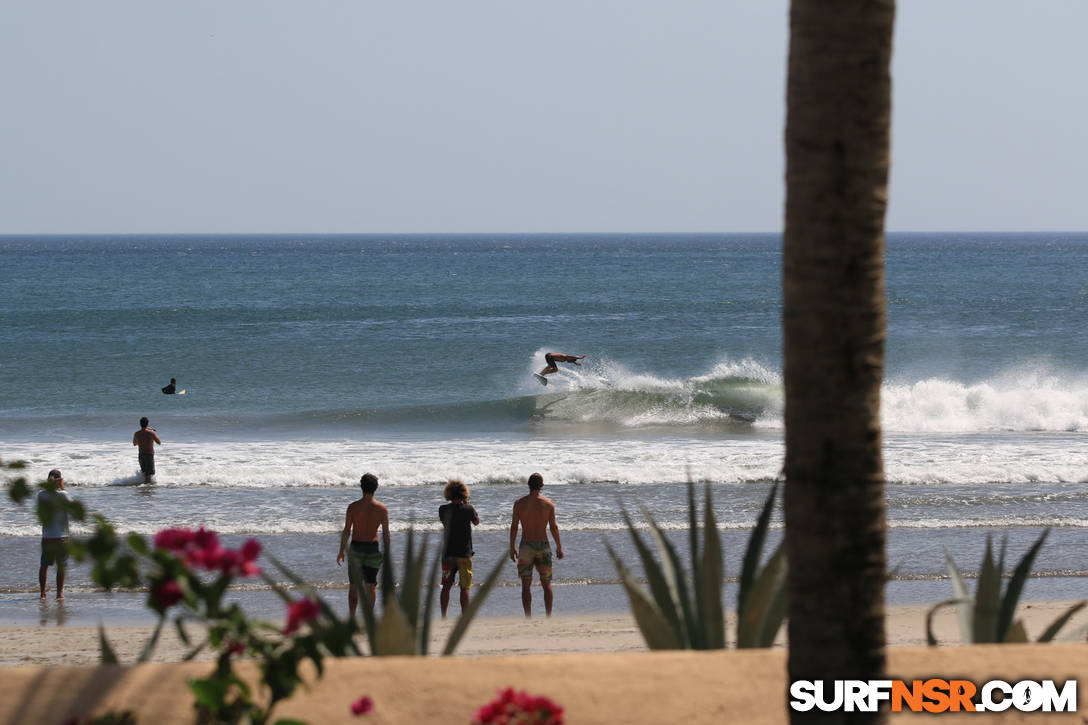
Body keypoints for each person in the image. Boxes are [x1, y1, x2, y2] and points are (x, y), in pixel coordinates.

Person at [509, 472, 564, 618]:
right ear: (542, 486)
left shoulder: (519, 503)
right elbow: (554, 527)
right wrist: (559, 546)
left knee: (526, 585)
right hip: (543, 546)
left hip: (526, 546)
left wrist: (511, 546)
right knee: (546, 584)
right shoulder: (548, 503)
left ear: (528, 485)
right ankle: (548, 617)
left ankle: (528, 617)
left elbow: (514, 527)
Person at [336, 473, 390, 616]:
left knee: (354, 586)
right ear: (376, 488)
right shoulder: (382, 509)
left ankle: (352, 619)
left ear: (361, 487)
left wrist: (341, 550)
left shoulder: (353, 507)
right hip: (373, 549)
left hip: (356, 548)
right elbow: (386, 534)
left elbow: (347, 531)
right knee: (370, 585)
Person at [438, 479, 480, 619]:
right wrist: (467, 504)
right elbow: (476, 522)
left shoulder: (443, 509)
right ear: (463, 494)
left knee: (446, 586)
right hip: (464, 553)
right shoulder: (469, 509)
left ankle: (444, 616)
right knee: (465, 587)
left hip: (448, 553)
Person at [38, 470, 72, 601]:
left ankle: (42, 593)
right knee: (61, 566)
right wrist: (62, 487)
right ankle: (59, 593)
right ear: (59, 480)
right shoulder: (63, 495)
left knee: (44, 565)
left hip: (47, 536)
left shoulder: (41, 495)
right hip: (61, 537)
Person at [132, 417, 163, 483]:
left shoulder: (137, 433)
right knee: (149, 474)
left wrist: (141, 440)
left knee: (144, 473)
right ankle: (146, 490)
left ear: (140, 424)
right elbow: (159, 442)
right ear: (147, 424)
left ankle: (144, 489)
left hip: (141, 455)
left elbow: (135, 444)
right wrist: (153, 432)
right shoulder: (151, 433)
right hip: (149, 455)